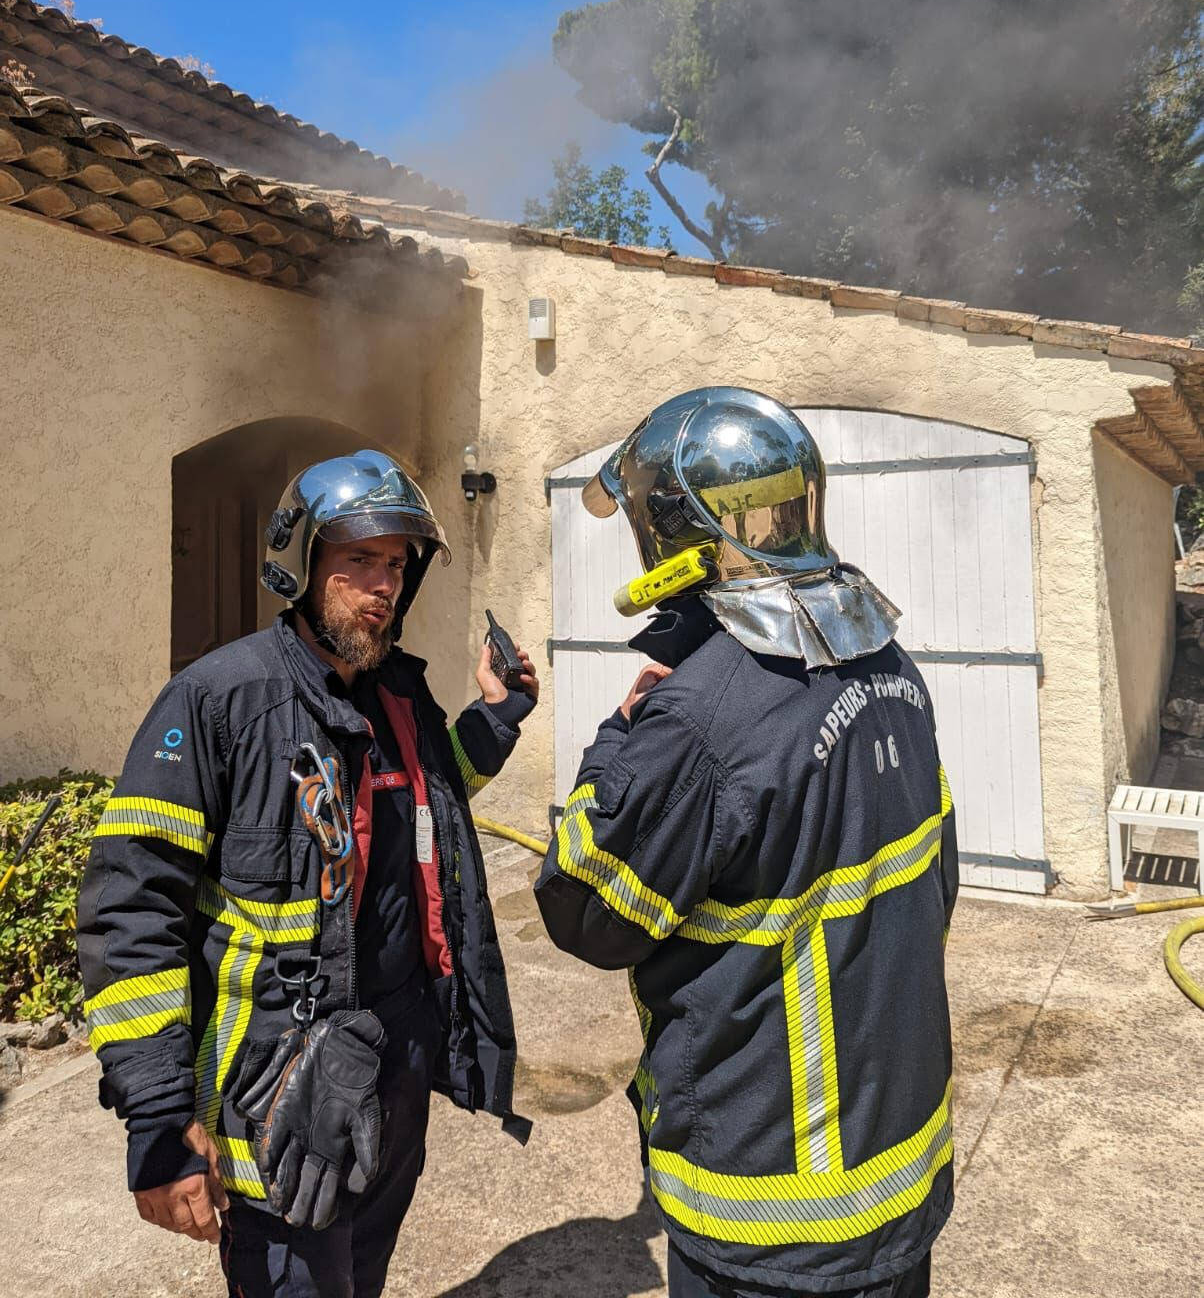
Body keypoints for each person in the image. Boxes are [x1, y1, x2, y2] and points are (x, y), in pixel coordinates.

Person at [78, 449, 538, 1298]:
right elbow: (131, 910)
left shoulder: (401, 692)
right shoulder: (221, 699)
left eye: (396, 564)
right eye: (358, 559)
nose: (382, 584)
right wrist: (156, 1118)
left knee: (363, 1272)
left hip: (399, 1053)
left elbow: (434, 795)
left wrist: (500, 718)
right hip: (281, 1085)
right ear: (302, 561)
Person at [535, 388, 956, 1298]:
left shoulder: (693, 717)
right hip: (904, 1175)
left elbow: (587, 913)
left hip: (770, 1203)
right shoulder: (893, 669)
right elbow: (938, 883)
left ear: (674, 531)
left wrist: (622, 733)